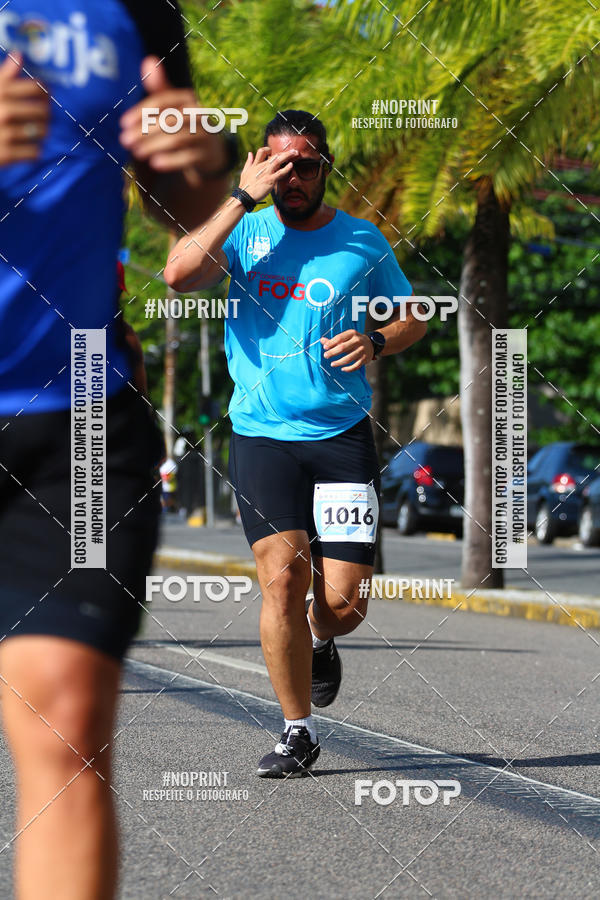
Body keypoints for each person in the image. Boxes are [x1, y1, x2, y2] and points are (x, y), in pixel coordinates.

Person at [0, 3, 237, 896]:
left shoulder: (136, 6)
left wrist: (202, 167)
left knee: (68, 710)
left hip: (82, 415)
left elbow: (191, 224)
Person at [166, 109, 427, 778]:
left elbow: (413, 315)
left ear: (325, 169)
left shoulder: (362, 243)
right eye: (280, 164)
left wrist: (375, 340)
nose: (293, 177)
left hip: (341, 438)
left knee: (341, 606)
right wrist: (238, 197)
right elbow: (178, 273)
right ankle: (297, 730)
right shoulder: (245, 229)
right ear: (262, 165)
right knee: (282, 581)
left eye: (305, 164)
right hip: (261, 438)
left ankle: (320, 639)